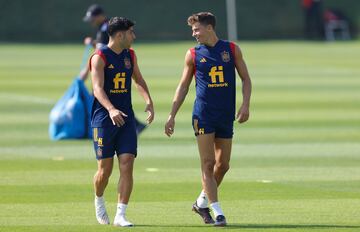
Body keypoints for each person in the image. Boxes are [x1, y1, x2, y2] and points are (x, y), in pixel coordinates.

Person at [164, 12, 251, 226]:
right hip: (203, 115)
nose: (194, 33)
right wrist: (171, 115)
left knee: (223, 165)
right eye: (192, 30)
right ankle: (217, 211)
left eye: (197, 29)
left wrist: (245, 104)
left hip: (225, 115)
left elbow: (246, 79)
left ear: (209, 27)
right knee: (208, 162)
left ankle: (201, 202)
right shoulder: (192, 54)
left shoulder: (231, 49)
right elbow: (183, 86)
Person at [90, 16, 154, 227]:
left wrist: (148, 100)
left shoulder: (130, 55)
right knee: (104, 170)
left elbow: (139, 80)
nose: (133, 36)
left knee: (127, 164)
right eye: (131, 33)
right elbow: (97, 89)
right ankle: (99, 199)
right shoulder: (99, 57)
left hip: (126, 119)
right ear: (120, 35)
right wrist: (110, 109)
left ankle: (120, 215)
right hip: (103, 119)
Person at [82, 4, 147, 135]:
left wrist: (85, 72)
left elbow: (100, 50)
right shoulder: (107, 26)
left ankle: (126, 125)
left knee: (105, 95)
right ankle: (135, 124)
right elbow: (106, 46)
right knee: (112, 96)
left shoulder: (105, 29)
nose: (92, 21)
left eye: (93, 18)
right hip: (109, 64)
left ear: (100, 16)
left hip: (109, 68)